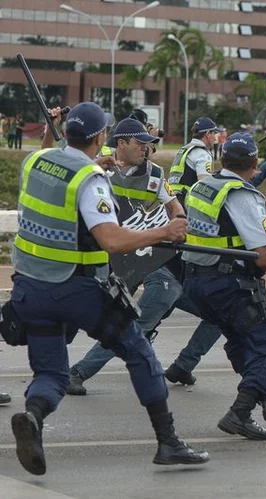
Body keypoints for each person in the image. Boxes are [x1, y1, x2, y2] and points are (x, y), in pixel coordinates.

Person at [6, 102, 209, 475]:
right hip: (76, 288)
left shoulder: (35, 164)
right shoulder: (90, 180)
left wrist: (62, 140)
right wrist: (165, 231)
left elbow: (51, 161)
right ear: (102, 137)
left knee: (51, 372)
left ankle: (33, 416)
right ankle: (168, 441)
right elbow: (112, 240)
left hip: (29, 290)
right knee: (138, 351)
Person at [182, 132, 266, 440]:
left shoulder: (203, 186)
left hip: (197, 281)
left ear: (222, 159)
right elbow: (264, 258)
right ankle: (239, 414)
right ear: (254, 163)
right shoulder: (243, 196)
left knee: (241, 343)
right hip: (230, 284)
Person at [168, 117, 218, 203]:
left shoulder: (184, 150)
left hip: (171, 199)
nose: (215, 138)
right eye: (214, 133)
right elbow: (205, 185)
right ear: (208, 133)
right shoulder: (202, 154)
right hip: (186, 201)